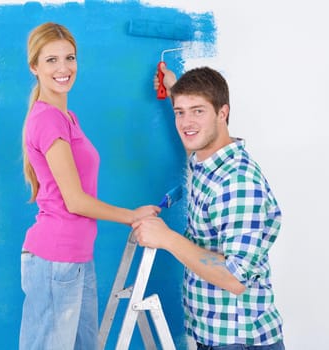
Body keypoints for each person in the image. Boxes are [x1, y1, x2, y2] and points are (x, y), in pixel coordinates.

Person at [20, 22, 159, 350]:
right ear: (34, 67)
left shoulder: (67, 117)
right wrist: (132, 216)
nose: (64, 68)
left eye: (70, 58)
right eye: (51, 60)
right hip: (56, 261)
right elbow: (76, 201)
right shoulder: (48, 120)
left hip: (76, 258)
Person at [133, 65, 285, 349]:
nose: (186, 122)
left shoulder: (238, 183)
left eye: (198, 111)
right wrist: (174, 88)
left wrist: (166, 238)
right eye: (181, 112)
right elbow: (192, 134)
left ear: (222, 113)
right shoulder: (208, 160)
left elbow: (234, 277)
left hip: (239, 340)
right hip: (213, 335)